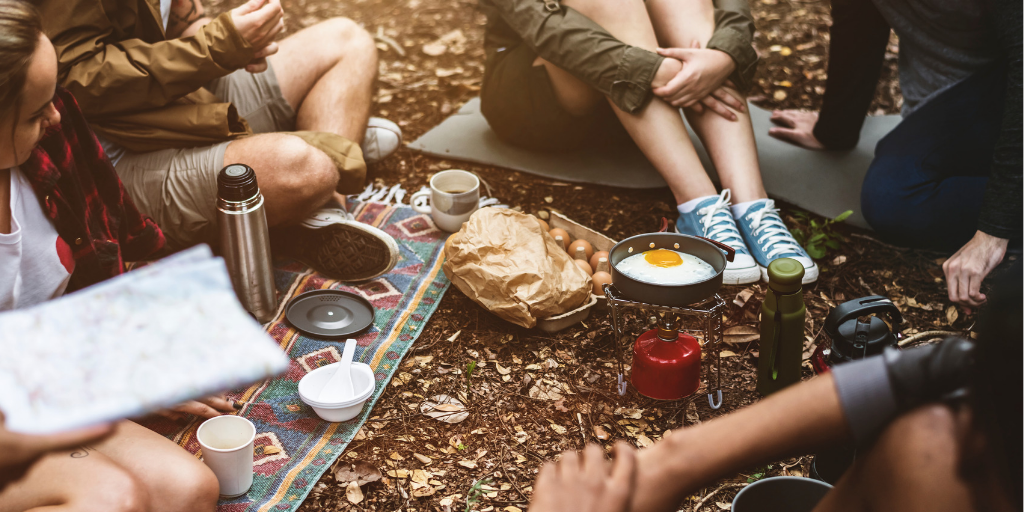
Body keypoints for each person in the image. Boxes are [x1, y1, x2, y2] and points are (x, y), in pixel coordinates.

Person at [529, 265, 1021, 512]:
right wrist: (675, 461)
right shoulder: (942, 443)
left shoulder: (930, 464)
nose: (950, 428)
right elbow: (946, 368)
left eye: (975, 419)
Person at [0, 2, 231, 509]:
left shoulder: (52, 134)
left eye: (53, 95)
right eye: (36, 113)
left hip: (41, 374)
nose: (56, 115)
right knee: (111, 497)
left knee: (189, 490)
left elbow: (124, 236)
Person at [38, 0, 403, 282]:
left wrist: (233, 40)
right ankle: (306, 162)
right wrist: (217, 47)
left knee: (346, 40)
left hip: (178, 103)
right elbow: (71, 79)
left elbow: (180, 21)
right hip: (109, 160)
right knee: (305, 167)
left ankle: (324, 217)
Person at [478, 0, 818, 284]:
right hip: (537, 92)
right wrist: (653, 69)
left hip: (636, 105)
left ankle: (751, 205)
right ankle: (698, 204)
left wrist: (725, 54)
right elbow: (537, 21)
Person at [768, 0, 1021, 309]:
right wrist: (835, 129)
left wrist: (994, 230)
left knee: (895, 196)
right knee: (893, 197)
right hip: (966, 93)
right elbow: (859, 17)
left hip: (1008, 77)